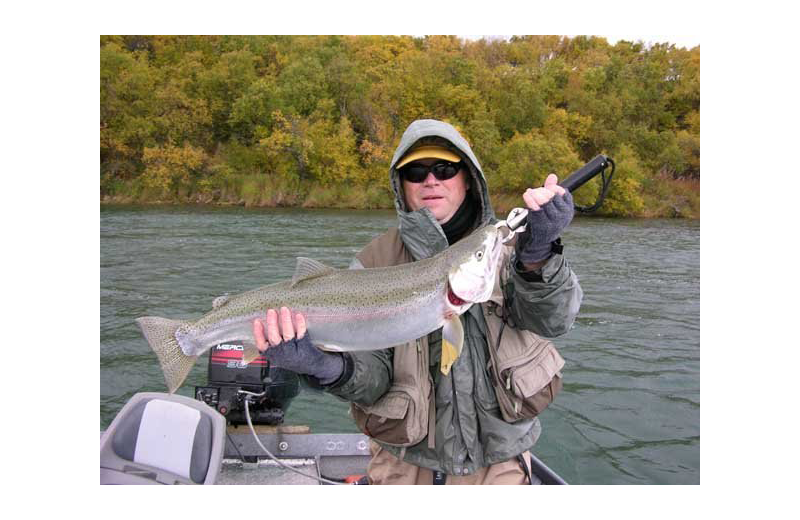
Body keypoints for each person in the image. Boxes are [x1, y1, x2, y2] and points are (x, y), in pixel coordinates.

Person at [252, 119, 582, 484]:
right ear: (401, 186)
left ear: (468, 178)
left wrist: (538, 254)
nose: (431, 180)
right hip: (401, 464)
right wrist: (324, 366)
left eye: (445, 168)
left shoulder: (503, 250)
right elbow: (372, 379)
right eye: (415, 172)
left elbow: (554, 320)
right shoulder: (373, 262)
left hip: (498, 462)